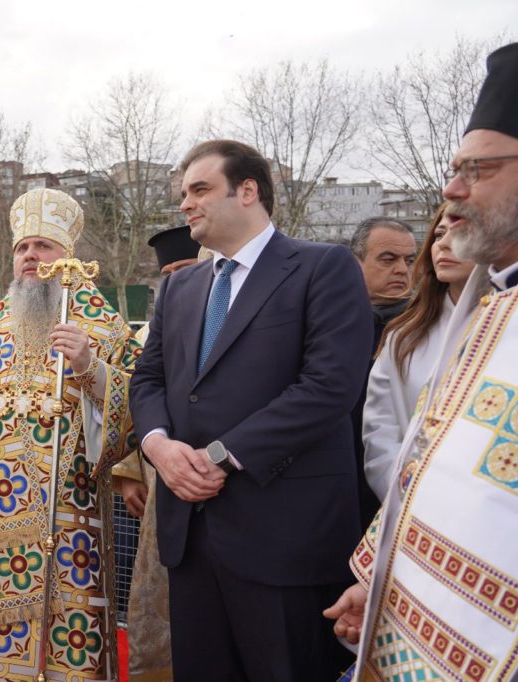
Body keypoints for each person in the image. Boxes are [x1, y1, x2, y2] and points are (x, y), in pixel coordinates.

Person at [130, 139, 372, 681]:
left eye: (199, 190)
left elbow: (329, 386)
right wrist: (159, 448)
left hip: (284, 535)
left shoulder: (321, 267)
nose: (186, 204)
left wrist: (220, 456)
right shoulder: (180, 288)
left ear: (247, 190)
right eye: (182, 194)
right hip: (191, 538)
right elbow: (148, 380)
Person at [326, 42, 518, 680]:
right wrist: (385, 583)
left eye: (478, 170)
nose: (452, 189)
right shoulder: (492, 309)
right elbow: (428, 463)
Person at [0, 188, 140, 681]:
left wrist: (90, 368)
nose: (30, 257)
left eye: (43, 246)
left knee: (62, 652)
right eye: (23, 248)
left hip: (69, 525)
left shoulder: (106, 331)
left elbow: (138, 413)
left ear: (68, 257)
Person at [112, 224, 201, 681]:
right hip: (156, 488)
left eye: (183, 268)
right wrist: (129, 470)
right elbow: (136, 402)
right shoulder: (148, 332)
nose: (174, 279)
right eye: (166, 272)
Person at [362, 204, 475, 499]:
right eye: (438, 234)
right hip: (412, 505)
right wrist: (407, 497)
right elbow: (380, 434)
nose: (445, 244)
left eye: (461, 231)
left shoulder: (508, 328)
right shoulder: (403, 335)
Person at [349, 216, 419, 520]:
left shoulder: (424, 328)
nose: (402, 270)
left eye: (410, 260)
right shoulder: (330, 325)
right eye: (388, 259)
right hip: (340, 485)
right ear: (356, 262)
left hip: (402, 490)